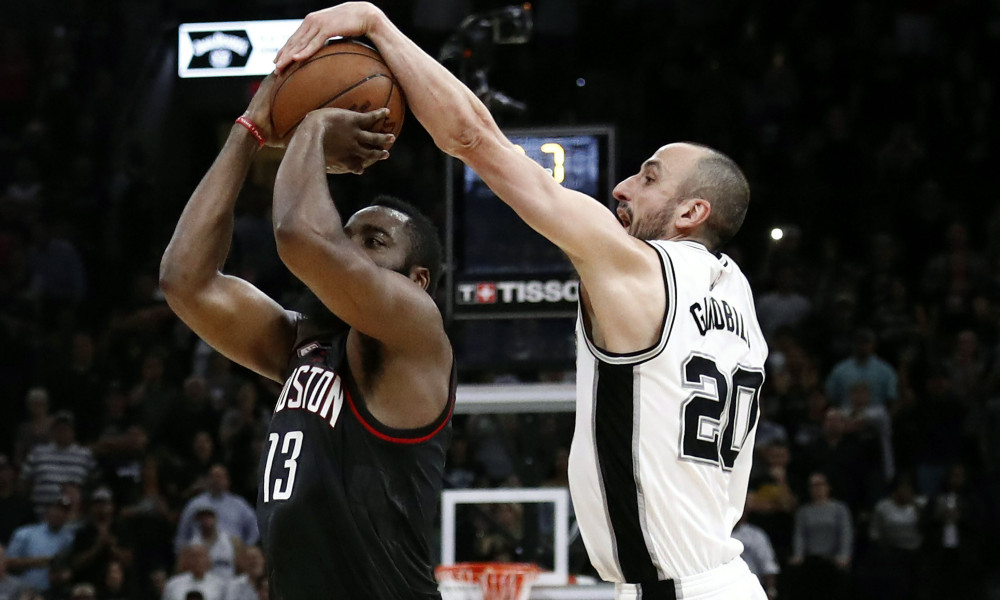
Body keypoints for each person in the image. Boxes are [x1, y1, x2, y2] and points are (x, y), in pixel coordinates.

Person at [276, 5, 767, 598]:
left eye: (650, 177)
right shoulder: (735, 294)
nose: (621, 187)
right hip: (722, 578)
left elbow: (473, 138)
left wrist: (377, 24)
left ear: (692, 213)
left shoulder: (639, 270)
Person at [159, 70, 455, 599]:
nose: (350, 248)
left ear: (417, 282)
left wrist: (312, 127)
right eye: (347, 235)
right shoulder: (306, 346)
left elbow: (299, 235)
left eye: (375, 241)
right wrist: (247, 131)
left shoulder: (416, 331)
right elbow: (185, 281)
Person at [173, 465, 257, 553]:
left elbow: (255, 528)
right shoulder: (195, 505)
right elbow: (182, 534)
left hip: (233, 552)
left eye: (220, 477)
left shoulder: (239, 504)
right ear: (207, 480)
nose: (217, 481)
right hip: (202, 552)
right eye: (213, 477)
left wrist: (246, 547)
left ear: (227, 480)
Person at [5, 495, 76, 593]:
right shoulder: (25, 533)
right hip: (23, 592)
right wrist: (39, 561)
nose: (59, 514)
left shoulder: (69, 539)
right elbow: (8, 563)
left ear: (68, 516)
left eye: (63, 512)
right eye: (56, 510)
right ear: (48, 511)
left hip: (52, 593)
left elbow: (68, 565)